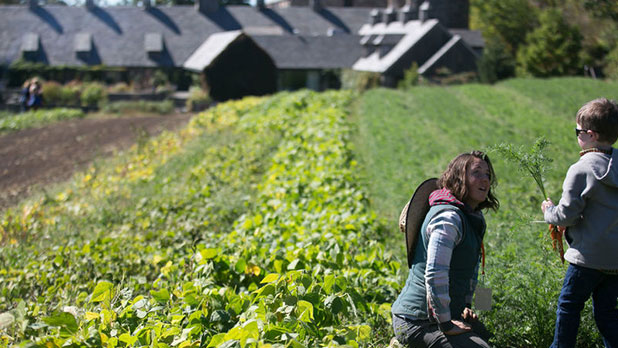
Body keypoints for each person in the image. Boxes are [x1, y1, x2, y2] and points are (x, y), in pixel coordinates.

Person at [392, 151, 499, 348]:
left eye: (488, 175)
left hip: (441, 316)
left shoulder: (472, 217)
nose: (485, 179)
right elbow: (435, 273)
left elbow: (469, 269)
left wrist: (465, 307)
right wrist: (446, 323)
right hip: (417, 320)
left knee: (486, 337)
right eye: (476, 173)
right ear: (459, 178)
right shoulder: (448, 220)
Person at [541, 97, 618, 348]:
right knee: (606, 313)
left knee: (568, 306)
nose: (577, 137)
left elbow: (567, 215)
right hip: (615, 259)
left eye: (578, 132)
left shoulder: (581, 169)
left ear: (591, 135)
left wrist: (549, 211)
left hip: (588, 257)